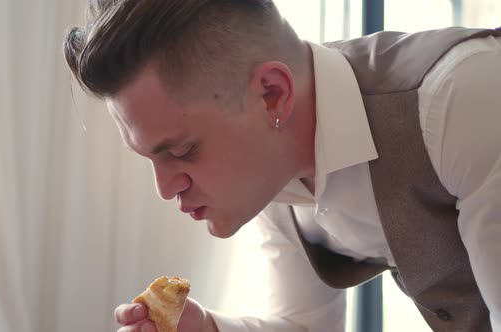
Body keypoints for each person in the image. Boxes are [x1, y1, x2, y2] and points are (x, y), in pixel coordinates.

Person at [63, 0, 501, 331]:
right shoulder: (270, 169)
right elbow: (306, 325)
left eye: (179, 151)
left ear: (272, 94)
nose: (164, 187)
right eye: (150, 158)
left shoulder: (460, 100)